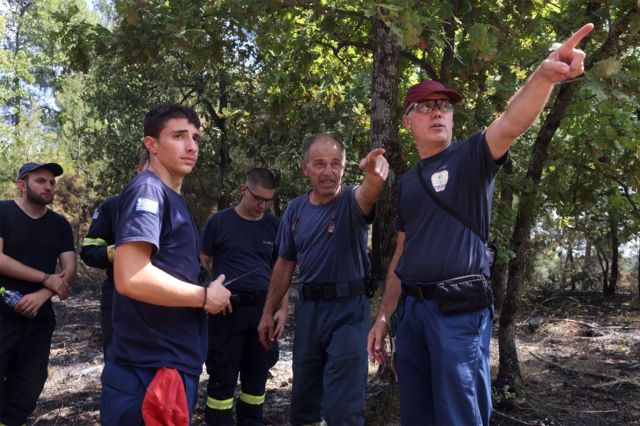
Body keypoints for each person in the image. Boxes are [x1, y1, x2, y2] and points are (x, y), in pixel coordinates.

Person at [367, 24, 594, 426]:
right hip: (412, 316)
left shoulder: (471, 157)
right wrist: (385, 316)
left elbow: (511, 122)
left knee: (460, 416)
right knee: (416, 415)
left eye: (445, 106)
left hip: (458, 313)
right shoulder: (406, 184)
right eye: (426, 106)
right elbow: (402, 254)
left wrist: (543, 77)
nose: (438, 111)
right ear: (407, 121)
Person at [100, 104, 232, 425]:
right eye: (178, 136)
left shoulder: (173, 198)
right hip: (148, 371)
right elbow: (130, 277)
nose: (191, 146)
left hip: (169, 365)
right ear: (152, 145)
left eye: (196, 138)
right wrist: (203, 298)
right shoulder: (148, 189)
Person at [258, 133, 388, 425]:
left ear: (344, 167)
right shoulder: (295, 209)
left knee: (343, 408)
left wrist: (374, 174)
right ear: (306, 168)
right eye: (319, 164)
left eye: (335, 164)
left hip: (348, 312)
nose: (328, 172)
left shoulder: (351, 203)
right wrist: (268, 311)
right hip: (308, 312)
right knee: (304, 405)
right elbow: (284, 264)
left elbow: (370, 192)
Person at [201, 167, 288, 426]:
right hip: (227, 312)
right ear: (244, 190)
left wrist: (282, 309)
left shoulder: (274, 225)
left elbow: (282, 269)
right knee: (221, 382)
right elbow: (202, 260)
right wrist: (210, 290)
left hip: (263, 311)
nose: (262, 205)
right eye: (257, 198)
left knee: (256, 382)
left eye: (268, 200)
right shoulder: (219, 222)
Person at [0, 162, 77, 426]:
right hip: (2, 312)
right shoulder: (3, 211)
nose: (49, 187)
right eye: (41, 181)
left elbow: (70, 268)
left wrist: (42, 295)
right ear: (23, 185)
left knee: (29, 384)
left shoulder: (59, 225)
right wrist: (46, 278)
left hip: (38, 316)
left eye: (52, 182)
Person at [80, 150, 149, 357]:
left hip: (162, 299)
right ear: (139, 171)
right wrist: (116, 253)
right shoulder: (114, 206)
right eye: (151, 172)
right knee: (117, 359)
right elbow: (88, 251)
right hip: (120, 296)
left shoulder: (175, 208)